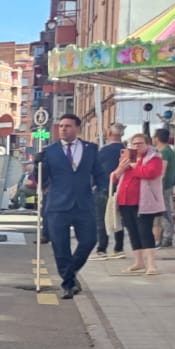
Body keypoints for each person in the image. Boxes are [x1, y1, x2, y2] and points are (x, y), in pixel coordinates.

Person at [39, 114, 105, 301]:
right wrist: (39, 166)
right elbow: (42, 180)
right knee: (61, 247)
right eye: (61, 126)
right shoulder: (50, 151)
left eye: (67, 126)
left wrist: (102, 189)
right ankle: (68, 284)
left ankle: (71, 270)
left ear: (77, 128)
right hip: (58, 205)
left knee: (89, 241)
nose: (63, 129)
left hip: (83, 204)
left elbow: (99, 172)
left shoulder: (90, 149)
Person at [113, 131, 167, 276]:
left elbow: (150, 173)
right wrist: (120, 169)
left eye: (140, 143)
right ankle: (138, 262)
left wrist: (134, 166)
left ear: (147, 144)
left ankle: (151, 264)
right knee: (132, 231)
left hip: (143, 202)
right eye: (134, 144)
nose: (137, 146)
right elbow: (115, 176)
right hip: (125, 201)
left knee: (145, 232)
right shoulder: (127, 158)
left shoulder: (154, 158)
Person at [94, 132, 126, 257]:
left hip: (104, 187)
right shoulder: (127, 152)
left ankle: (102, 248)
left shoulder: (103, 151)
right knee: (119, 219)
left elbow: (95, 169)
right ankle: (119, 247)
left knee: (101, 219)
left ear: (110, 134)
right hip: (121, 188)